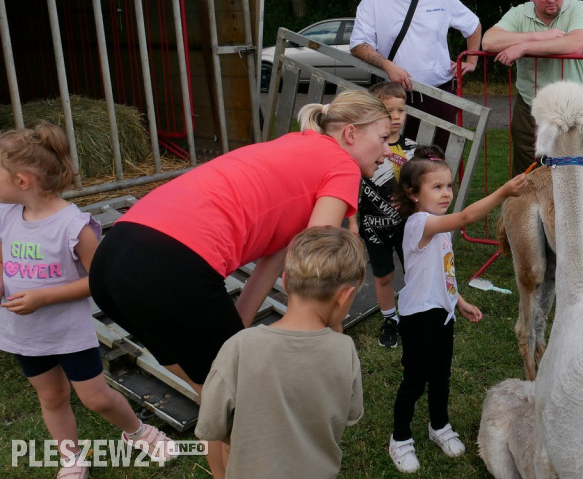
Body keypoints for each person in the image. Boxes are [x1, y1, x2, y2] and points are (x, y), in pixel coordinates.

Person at [89, 90, 390, 479]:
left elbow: (276, 259)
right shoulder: (342, 165)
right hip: (170, 266)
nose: (386, 152)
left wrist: (237, 331)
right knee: (240, 410)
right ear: (350, 134)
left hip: (115, 258)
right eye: (383, 138)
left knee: (216, 392)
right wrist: (332, 332)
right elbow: (316, 260)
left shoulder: (295, 147)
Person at [0, 122, 177, 478]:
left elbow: (100, 281)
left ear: (22, 181)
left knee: (95, 398)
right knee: (50, 397)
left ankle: (137, 432)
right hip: (24, 334)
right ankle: (71, 459)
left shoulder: (72, 226)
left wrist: (43, 297)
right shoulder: (5, 214)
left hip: (67, 333)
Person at [386, 145, 527, 473]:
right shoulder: (420, 223)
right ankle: (401, 437)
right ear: (413, 193)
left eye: (449, 185)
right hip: (419, 317)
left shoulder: (438, 223)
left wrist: (458, 301)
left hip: (442, 314)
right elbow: (466, 217)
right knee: (415, 380)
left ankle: (439, 426)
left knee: (441, 376)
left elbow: (442, 271)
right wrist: (504, 192)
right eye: (437, 187)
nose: (447, 193)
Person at [196, 226, 366, 479]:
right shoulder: (344, 349)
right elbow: (351, 415)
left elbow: (211, 425)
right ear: (346, 296)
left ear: (285, 282)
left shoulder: (240, 346)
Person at [350, 0, 481, 150]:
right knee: (392, 162)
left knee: (438, 164)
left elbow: (473, 25)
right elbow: (358, 45)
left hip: (439, 96)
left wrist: (471, 60)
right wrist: (388, 66)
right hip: (393, 100)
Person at [481, 0, 583, 175]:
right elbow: (489, 42)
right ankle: (525, 209)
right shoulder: (519, 13)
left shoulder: (580, 8)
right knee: (526, 174)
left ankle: (562, 209)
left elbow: (575, 44)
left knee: (569, 173)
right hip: (529, 106)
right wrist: (537, 35)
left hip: (570, 107)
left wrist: (523, 47)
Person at [348, 81, 417, 348]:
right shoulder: (364, 148)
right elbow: (351, 186)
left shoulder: (412, 148)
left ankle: (413, 314)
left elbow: (420, 187)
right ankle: (390, 318)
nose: (397, 117)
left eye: (401, 110)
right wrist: (353, 222)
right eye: (390, 112)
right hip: (372, 225)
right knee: (383, 275)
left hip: (405, 226)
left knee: (412, 273)